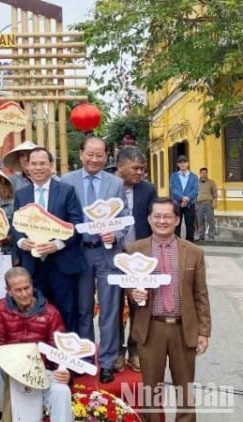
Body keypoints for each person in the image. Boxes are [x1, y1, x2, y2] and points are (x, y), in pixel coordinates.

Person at [128, 197, 211, 421]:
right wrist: (134, 295)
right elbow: (127, 289)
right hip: (151, 328)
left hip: (182, 329)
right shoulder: (135, 250)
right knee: (151, 390)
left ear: (176, 219)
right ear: (149, 219)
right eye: (157, 216)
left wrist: (203, 332)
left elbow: (200, 294)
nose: (162, 221)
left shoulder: (193, 252)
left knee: (185, 390)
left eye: (167, 216)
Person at [61, 135, 128, 383]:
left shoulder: (116, 184)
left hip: (108, 252)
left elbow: (125, 217)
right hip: (79, 252)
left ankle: (108, 361)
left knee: (110, 309)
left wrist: (117, 233)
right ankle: (86, 358)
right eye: (90, 154)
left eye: (100, 155)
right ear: (81, 154)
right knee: (83, 309)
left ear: (106, 156)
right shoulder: (67, 182)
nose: (94, 159)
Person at [12, 147, 86, 334]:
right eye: (34, 164)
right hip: (33, 265)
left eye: (42, 163)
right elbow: (15, 224)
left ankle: (68, 358)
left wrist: (57, 244)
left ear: (51, 165)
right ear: (27, 166)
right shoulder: (22, 194)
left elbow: (76, 223)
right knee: (36, 314)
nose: (38, 168)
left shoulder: (66, 191)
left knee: (67, 313)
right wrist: (21, 242)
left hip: (62, 263)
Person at [0, 267, 72, 422]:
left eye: (27, 288)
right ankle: (2, 405)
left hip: (41, 371)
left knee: (62, 391)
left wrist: (63, 371)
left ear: (32, 284)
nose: (24, 294)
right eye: (18, 290)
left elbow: (59, 350)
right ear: (8, 290)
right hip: (11, 372)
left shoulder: (50, 312)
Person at [115, 146, 157, 372]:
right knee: (113, 306)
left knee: (138, 305)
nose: (140, 172)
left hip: (139, 259)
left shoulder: (148, 190)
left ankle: (135, 349)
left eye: (143, 168)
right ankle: (117, 351)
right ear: (121, 166)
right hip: (111, 257)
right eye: (136, 168)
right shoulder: (107, 188)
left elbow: (155, 221)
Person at [169, 155, 198, 242]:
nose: (183, 164)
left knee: (190, 225)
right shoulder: (174, 176)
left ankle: (190, 243)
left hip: (190, 204)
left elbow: (195, 189)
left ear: (188, 163)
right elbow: (173, 189)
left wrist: (187, 198)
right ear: (178, 164)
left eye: (184, 162)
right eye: (180, 162)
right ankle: (176, 243)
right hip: (178, 204)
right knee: (176, 224)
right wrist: (182, 198)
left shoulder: (194, 176)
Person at [195, 167, 217, 241]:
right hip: (199, 204)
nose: (204, 174)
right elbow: (194, 194)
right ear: (200, 173)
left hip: (209, 203)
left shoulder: (211, 182)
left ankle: (211, 236)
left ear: (207, 173)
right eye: (202, 173)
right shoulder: (196, 183)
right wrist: (195, 204)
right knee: (200, 221)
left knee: (210, 220)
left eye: (205, 172)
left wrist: (214, 202)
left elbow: (215, 193)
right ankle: (201, 235)